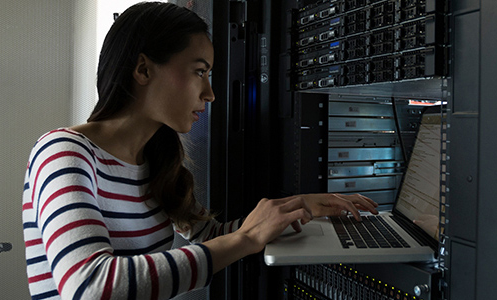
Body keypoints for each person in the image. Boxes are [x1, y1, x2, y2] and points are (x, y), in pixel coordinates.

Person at [22, 2, 378, 299]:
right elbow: (89, 287)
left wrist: (292, 210)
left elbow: (208, 237)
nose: (209, 94)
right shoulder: (63, 152)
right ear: (143, 69)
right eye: (199, 72)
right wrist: (248, 238)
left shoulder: (155, 161)